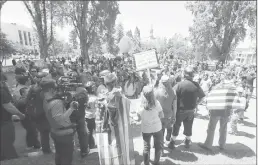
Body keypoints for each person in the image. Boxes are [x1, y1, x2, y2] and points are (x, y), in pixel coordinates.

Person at [96, 72, 135, 165]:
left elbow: (98, 115)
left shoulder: (102, 97)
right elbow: (127, 105)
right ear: (114, 83)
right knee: (118, 146)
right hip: (117, 127)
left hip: (107, 128)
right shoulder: (116, 96)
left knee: (110, 147)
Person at [198, 73, 240, 151]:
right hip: (226, 111)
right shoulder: (232, 88)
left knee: (211, 128)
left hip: (216, 111)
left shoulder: (216, 87)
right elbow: (235, 99)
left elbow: (210, 97)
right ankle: (222, 145)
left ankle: (208, 144)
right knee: (223, 128)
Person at [41, 78, 77, 165]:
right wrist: (72, 108)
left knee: (59, 155)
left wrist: (66, 102)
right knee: (66, 158)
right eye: (56, 88)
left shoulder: (45, 100)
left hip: (55, 131)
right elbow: (60, 119)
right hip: (63, 134)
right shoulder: (56, 102)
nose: (57, 90)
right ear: (50, 89)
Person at [168, 67, 205, 149]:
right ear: (192, 76)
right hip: (191, 111)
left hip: (180, 110)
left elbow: (172, 96)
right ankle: (187, 142)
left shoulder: (179, 85)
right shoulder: (196, 85)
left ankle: (172, 142)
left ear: (184, 75)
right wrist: (196, 104)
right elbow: (202, 97)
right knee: (189, 126)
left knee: (176, 126)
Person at [0, 74, 25, 160]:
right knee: (8, 141)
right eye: (4, 82)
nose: (5, 84)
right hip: (4, 122)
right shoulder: (2, 92)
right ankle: (12, 158)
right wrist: (20, 114)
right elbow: (8, 106)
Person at [138, 85, 164, 165]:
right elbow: (162, 115)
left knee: (146, 147)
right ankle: (156, 162)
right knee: (158, 146)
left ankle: (146, 163)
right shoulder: (156, 103)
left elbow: (138, 118)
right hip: (157, 128)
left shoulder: (140, 105)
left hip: (146, 129)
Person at [155, 75, 177, 143]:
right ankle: (168, 136)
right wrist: (174, 115)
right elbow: (175, 106)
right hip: (169, 114)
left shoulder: (157, 91)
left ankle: (160, 142)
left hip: (159, 115)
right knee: (169, 126)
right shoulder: (173, 91)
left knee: (161, 129)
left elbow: (154, 105)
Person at [85, 81, 98, 149]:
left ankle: (91, 145)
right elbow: (97, 108)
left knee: (89, 132)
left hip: (87, 117)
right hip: (94, 117)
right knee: (97, 131)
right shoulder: (95, 98)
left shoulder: (85, 97)